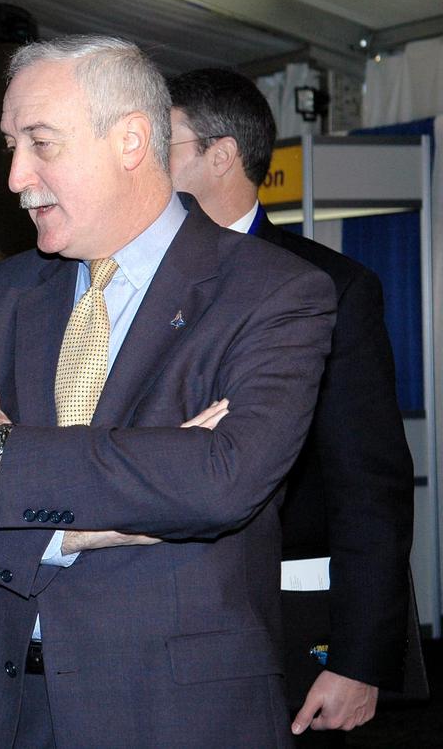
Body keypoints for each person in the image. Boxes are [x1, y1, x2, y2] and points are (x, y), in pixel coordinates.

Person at [0, 36, 338, 748]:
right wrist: (69, 533)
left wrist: (3, 449)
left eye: (40, 143)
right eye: (11, 144)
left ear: (130, 139)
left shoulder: (273, 290)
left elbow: (222, 479)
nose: (14, 177)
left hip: (173, 716)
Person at [168, 67, 415, 741]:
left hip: (284, 624)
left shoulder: (331, 287)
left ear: (220, 157)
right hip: (155, 628)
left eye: (164, 143)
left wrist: (360, 661)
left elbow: (371, 487)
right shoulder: (129, 284)